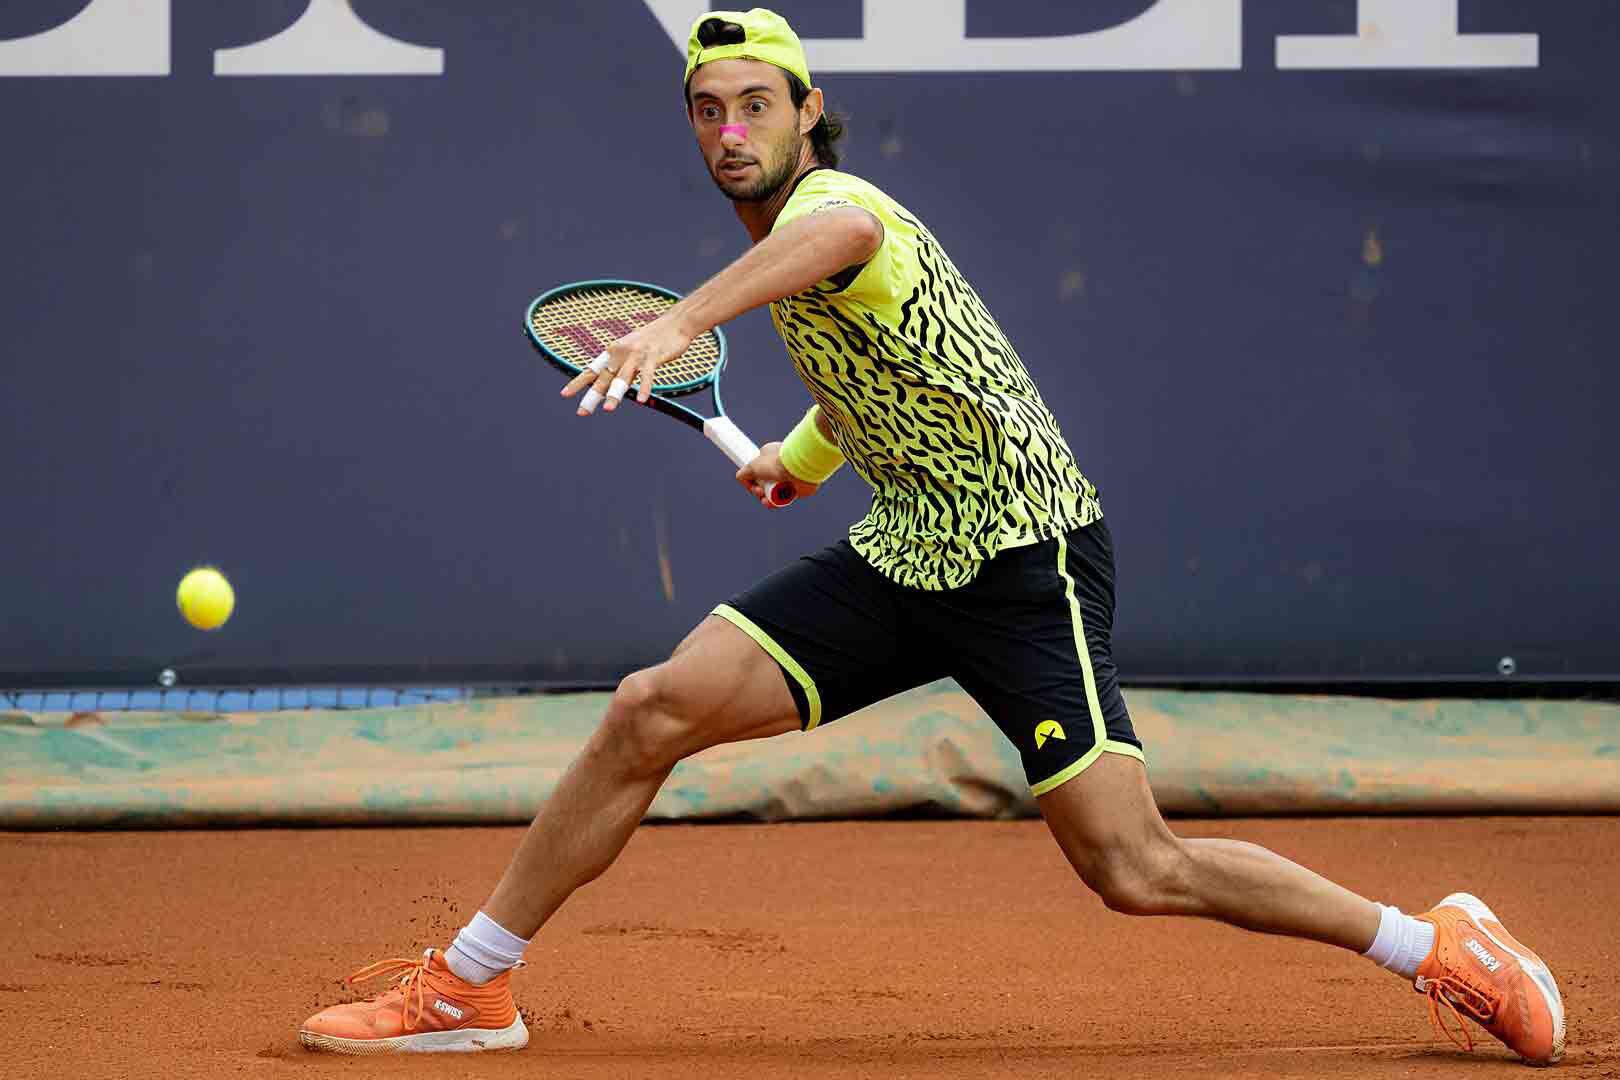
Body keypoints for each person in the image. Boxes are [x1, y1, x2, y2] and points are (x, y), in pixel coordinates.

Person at [298, 8, 1564, 1064]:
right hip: (907, 548)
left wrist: (680, 323)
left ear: (807, 111)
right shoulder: (781, 246)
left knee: (1132, 865)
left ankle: (1432, 943)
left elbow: (841, 242)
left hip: (1028, 555)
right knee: (649, 710)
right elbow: (879, 376)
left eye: (755, 105)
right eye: (707, 110)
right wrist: (797, 462)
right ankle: (471, 984)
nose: (730, 131)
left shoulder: (837, 206)